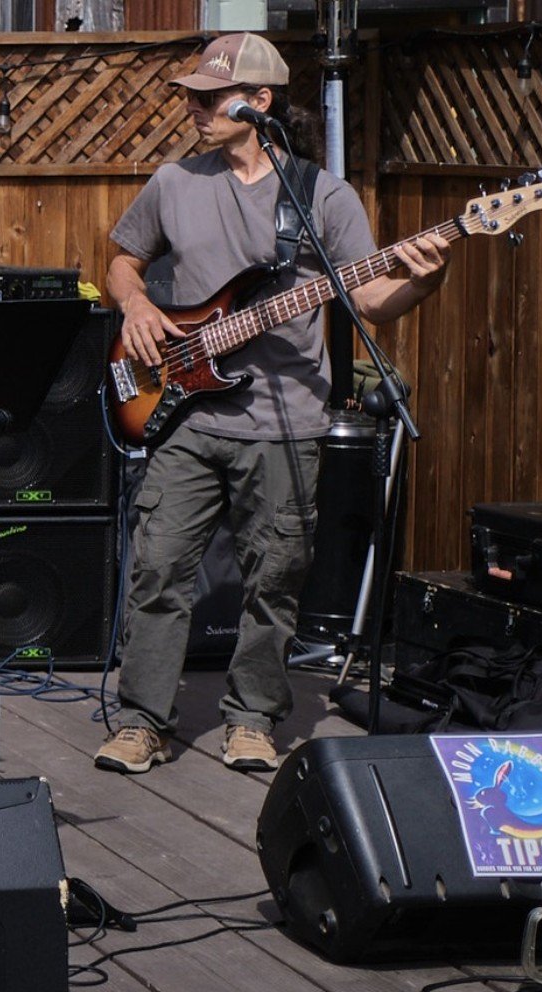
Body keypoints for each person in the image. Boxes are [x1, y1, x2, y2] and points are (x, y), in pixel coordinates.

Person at [94, 33, 449, 775]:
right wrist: (133, 307)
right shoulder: (174, 182)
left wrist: (423, 280)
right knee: (158, 568)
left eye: (207, 96)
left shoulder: (323, 196)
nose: (191, 107)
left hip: (285, 418)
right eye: (188, 95)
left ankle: (252, 717)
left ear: (259, 102)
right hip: (185, 414)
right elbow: (123, 261)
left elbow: (372, 299)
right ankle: (141, 721)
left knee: (276, 575)